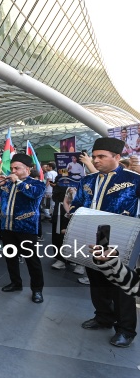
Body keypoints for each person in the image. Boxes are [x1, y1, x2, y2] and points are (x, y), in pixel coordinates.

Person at [68, 137, 140, 348]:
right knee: (96, 279)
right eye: (94, 156)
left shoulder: (134, 179)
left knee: (121, 284)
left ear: (117, 157)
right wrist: (73, 216)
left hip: (122, 239)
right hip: (91, 237)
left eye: (102, 156)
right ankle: (103, 317)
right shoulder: (87, 181)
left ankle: (126, 330)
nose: (96, 160)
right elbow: (78, 204)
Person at [0, 154, 45, 303]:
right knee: (10, 257)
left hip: (26, 228)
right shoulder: (8, 183)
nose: (13, 171)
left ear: (27, 169)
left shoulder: (37, 183)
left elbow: (34, 195)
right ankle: (15, 283)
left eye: (17, 168)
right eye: (12, 168)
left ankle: (37, 290)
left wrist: (19, 182)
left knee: (32, 261)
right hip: (7, 226)